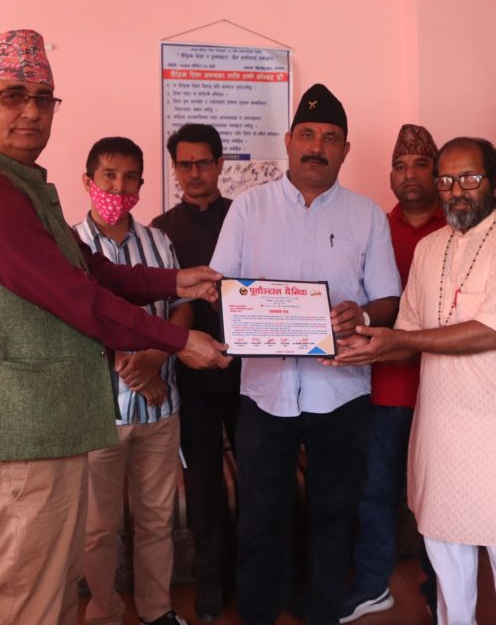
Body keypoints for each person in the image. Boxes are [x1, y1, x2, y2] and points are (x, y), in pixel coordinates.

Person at [0, 29, 229, 625]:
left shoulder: (19, 184)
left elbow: (93, 270)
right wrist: (177, 339)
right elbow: (75, 297)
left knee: (51, 594)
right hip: (19, 439)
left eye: (44, 98)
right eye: (14, 95)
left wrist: (177, 281)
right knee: (27, 605)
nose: (32, 111)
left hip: (47, 432)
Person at [330, 136, 496, 625]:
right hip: (441, 432)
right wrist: (365, 347)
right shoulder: (428, 250)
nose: (457, 190)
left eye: (470, 178)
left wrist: (396, 340)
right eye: (447, 180)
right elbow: (407, 334)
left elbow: (491, 332)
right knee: (450, 579)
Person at [209, 83, 401, 624]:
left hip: (341, 392)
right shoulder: (249, 208)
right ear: (289, 141)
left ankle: (320, 611)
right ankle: (260, 612)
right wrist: (250, 313)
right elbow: (221, 288)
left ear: (345, 149)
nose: (318, 147)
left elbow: (388, 300)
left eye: (330, 138)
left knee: (334, 513)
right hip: (264, 392)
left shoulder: (367, 216)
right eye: (309, 135)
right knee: (261, 515)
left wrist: (363, 316)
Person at [73, 137, 190, 625]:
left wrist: (156, 357)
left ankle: (156, 610)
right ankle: (104, 613)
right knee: (98, 528)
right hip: (99, 414)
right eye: (109, 176)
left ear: (141, 183)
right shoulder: (68, 245)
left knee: (157, 521)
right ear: (88, 180)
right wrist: (132, 368)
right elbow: (71, 322)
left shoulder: (159, 241)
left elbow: (181, 306)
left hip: (161, 409)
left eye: (130, 178)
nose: (119, 188)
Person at [339, 124, 445, 623]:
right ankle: (372, 585)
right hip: (383, 389)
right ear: (390, 176)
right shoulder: (374, 228)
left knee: (439, 496)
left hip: (443, 389)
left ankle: (441, 588)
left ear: (437, 172)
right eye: (400, 166)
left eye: (420, 164)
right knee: (376, 492)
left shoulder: (457, 229)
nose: (409, 174)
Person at [152, 124, 241, 621]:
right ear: (174, 169)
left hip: (250, 377)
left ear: (220, 164)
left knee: (258, 478)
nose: (194, 173)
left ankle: (257, 572)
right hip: (191, 380)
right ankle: (211, 578)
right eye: (184, 164)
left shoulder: (244, 217)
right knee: (203, 483)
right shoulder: (160, 230)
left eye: (203, 162)